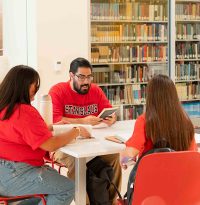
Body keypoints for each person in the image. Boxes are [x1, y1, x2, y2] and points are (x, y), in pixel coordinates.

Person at [0, 65, 91, 205]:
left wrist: (49, 127)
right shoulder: (24, 112)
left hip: (4, 172)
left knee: (52, 181)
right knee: (67, 187)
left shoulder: (6, 108)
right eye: (34, 86)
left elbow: (19, 132)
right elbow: (51, 144)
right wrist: (76, 130)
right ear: (23, 85)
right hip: (15, 174)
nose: (36, 91)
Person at [48, 58, 121, 205]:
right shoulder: (57, 91)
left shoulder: (95, 90)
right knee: (77, 162)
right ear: (71, 75)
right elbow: (55, 121)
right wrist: (83, 121)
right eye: (81, 77)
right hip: (62, 144)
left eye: (89, 77)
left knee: (114, 156)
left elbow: (109, 111)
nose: (86, 81)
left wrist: (112, 118)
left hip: (91, 142)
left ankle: (112, 202)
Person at [120, 74, 198, 168]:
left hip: (152, 177)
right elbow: (193, 154)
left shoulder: (145, 120)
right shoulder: (185, 121)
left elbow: (132, 152)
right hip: (179, 178)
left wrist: (122, 153)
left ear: (150, 96)